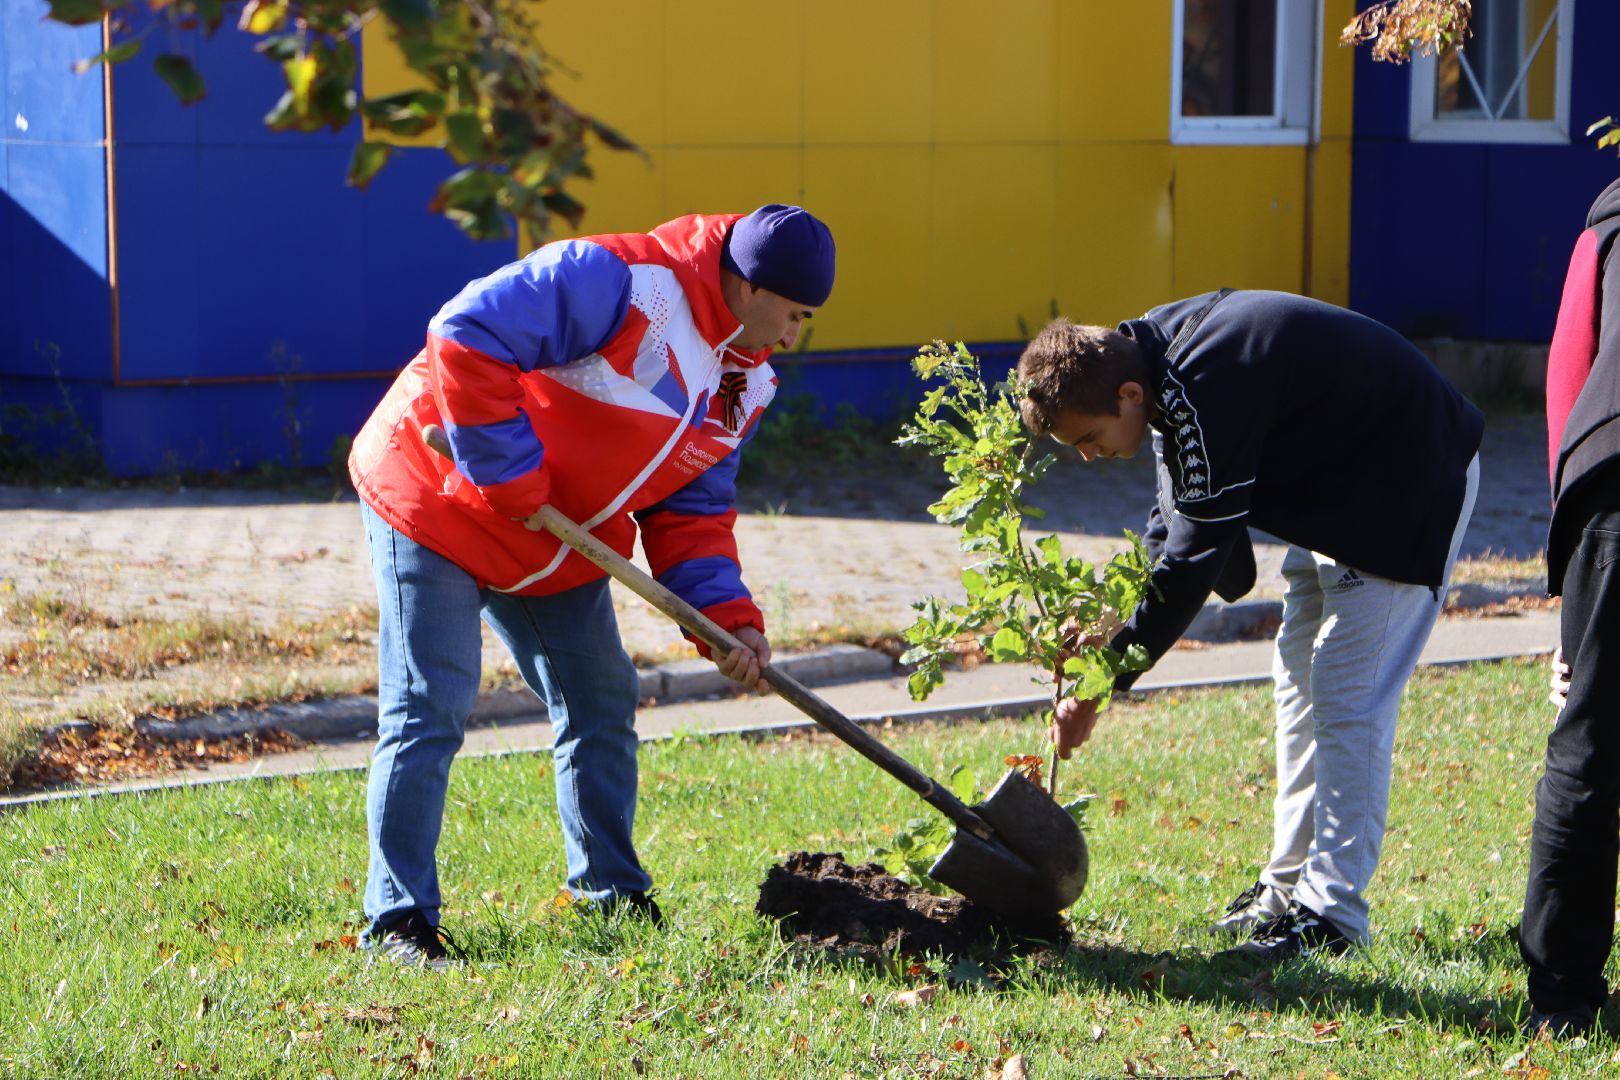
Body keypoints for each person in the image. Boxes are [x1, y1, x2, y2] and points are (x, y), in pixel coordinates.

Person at [346, 205, 836, 968]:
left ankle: (611, 894)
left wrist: (726, 620)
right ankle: (398, 922)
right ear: (747, 286)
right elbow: (466, 331)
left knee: (601, 699)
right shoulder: (623, 282)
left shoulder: (746, 384)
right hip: (437, 495)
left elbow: (692, 512)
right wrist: (507, 473)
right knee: (431, 702)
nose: (793, 337)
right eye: (794, 314)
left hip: (553, 538)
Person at [1016, 291, 1482, 963]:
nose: (1088, 457)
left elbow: (1194, 559)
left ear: (1125, 395)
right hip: (1340, 494)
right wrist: (1113, 622)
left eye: (1087, 440)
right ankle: (1286, 891)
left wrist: (1105, 680)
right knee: (1299, 691)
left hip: (1406, 485)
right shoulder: (1155, 367)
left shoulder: (1204, 375)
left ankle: (1333, 916)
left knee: (1348, 703)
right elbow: (1176, 517)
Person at [1520, 176, 1620, 1036]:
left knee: (1587, 741)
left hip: (1608, 483)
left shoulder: (1610, 214)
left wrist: (1575, 613)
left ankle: (1561, 1000)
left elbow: (1567, 375)